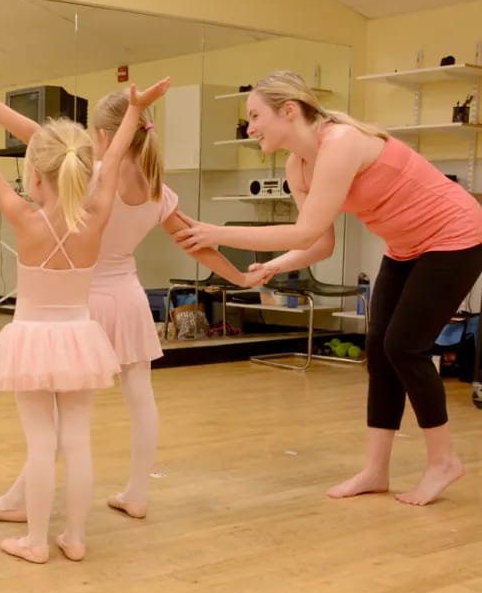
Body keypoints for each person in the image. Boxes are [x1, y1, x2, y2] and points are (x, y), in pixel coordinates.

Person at [0, 76, 269, 523]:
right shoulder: (157, 189)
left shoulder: (92, 177)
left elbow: (38, 136)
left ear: (101, 136)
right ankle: (136, 493)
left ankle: (22, 500)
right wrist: (240, 276)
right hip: (128, 298)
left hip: (81, 303)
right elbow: (197, 242)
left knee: (56, 417)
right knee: (140, 397)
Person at [175, 70, 482, 506]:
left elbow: (306, 231)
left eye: (256, 116)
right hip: (405, 247)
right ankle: (376, 470)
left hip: (455, 236)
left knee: (405, 348)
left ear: (289, 110)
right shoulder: (297, 164)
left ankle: (444, 461)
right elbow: (320, 242)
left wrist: (216, 233)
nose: (250, 128)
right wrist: (273, 267)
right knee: (380, 349)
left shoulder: (340, 142)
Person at [0, 75, 172, 563]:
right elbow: (112, 159)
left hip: (33, 339)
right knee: (78, 439)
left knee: (40, 442)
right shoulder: (96, 215)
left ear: (34, 176)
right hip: (79, 337)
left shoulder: (22, 216)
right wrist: (135, 109)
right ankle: (74, 537)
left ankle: (34, 541)